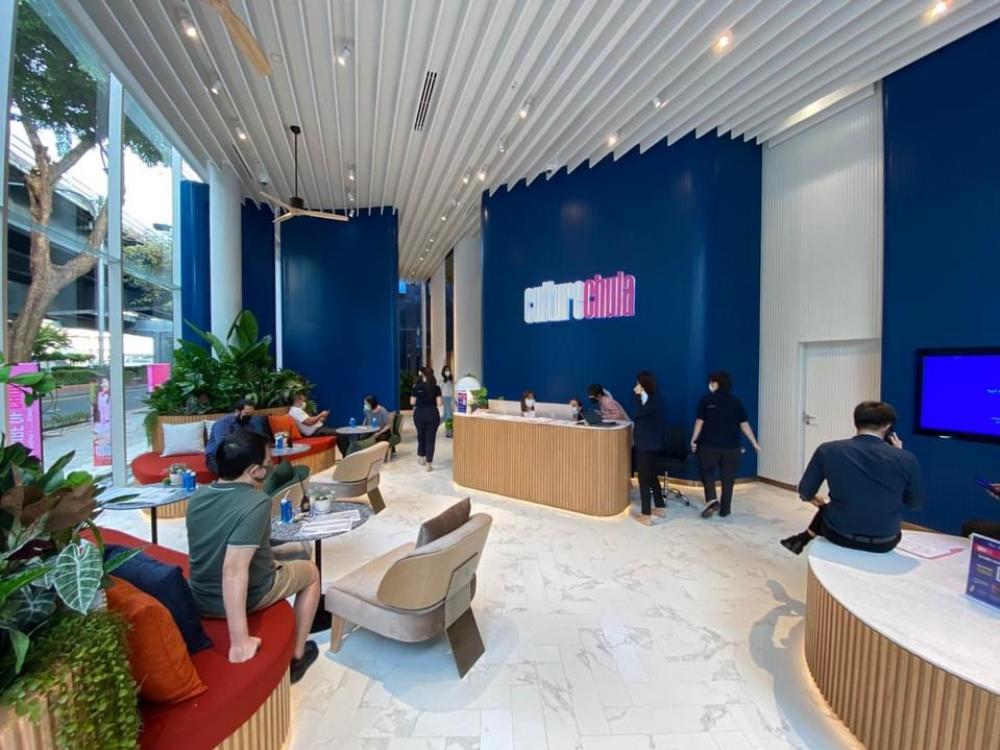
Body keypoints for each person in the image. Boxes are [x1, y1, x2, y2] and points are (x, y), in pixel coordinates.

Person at [186, 430, 320, 682]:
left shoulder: (198, 496)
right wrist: (239, 642)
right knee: (312, 573)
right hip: (250, 593)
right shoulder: (256, 502)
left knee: (297, 551)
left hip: (200, 596)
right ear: (254, 471)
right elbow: (233, 571)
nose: (271, 466)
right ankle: (297, 656)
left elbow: (222, 545)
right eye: (268, 463)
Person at [780, 401, 924, 555]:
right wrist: (899, 454)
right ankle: (802, 539)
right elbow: (915, 504)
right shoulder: (906, 459)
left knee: (830, 508)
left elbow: (805, 491)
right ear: (887, 427)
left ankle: (803, 538)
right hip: (885, 541)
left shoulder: (827, 450)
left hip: (837, 534)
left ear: (856, 422)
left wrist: (814, 499)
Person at [690, 371, 760, 519]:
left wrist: (693, 439)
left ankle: (712, 500)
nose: (710, 385)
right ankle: (725, 509)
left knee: (707, 473)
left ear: (716, 383)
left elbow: (699, 422)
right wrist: (754, 443)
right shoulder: (736, 402)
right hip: (732, 447)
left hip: (709, 445)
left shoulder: (707, 400)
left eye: (711, 382)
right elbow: (744, 424)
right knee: (728, 478)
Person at [632, 370, 667, 525]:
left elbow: (639, 413)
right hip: (652, 443)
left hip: (646, 444)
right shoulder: (656, 397)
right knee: (652, 476)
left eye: (638, 383)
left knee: (644, 479)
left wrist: (637, 397)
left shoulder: (650, 400)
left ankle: (646, 515)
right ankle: (660, 507)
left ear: (643, 384)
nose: (636, 386)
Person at [205, 398, 271, 475]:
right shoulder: (224, 422)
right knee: (230, 474)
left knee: (261, 467)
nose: (249, 416)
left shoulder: (248, 424)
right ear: (237, 411)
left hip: (237, 456)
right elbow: (222, 444)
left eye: (251, 414)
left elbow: (251, 440)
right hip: (216, 457)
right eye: (246, 413)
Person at [410, 367, 443, 471]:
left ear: (422, 375)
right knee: (430, 439)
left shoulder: (417, 387)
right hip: (432, 413)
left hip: (419, 413)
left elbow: (412, 402)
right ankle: (429, 464)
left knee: (421, 435)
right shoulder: (436, 388)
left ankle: (421, 457)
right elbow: (439, 403)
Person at [441, 364, 455, 437]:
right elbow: (441, 389)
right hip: (445, 398)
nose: (447, 372)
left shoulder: (451, 379)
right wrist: (441, 399)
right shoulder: (442, 379)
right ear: (443, 371)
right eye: (446, 370)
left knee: (446, 415)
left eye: (448, 370)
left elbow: (452, 389)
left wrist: (454, 398)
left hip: (451, 398)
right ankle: (449, 432)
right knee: (449, 415)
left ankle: (433, 425)